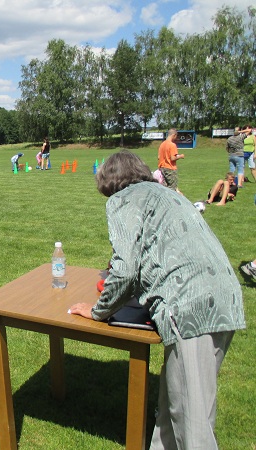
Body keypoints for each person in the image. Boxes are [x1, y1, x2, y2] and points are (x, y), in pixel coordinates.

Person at [69, 150, 245, 450]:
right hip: (224, 298)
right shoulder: (166, 194)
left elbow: (125, 270)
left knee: (192, 423)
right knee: (176, 407)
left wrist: (98, 311)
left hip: (191, 306)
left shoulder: (122, 199)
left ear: (110, 182)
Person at [157, 128, 185, 194]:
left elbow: (159, 157)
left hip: (162, 168)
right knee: (172, 188)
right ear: (174, 135)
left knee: (164, 187)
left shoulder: (162, 144)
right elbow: (172, 158)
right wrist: (180, 156)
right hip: (170, 168)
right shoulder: (172, 145)